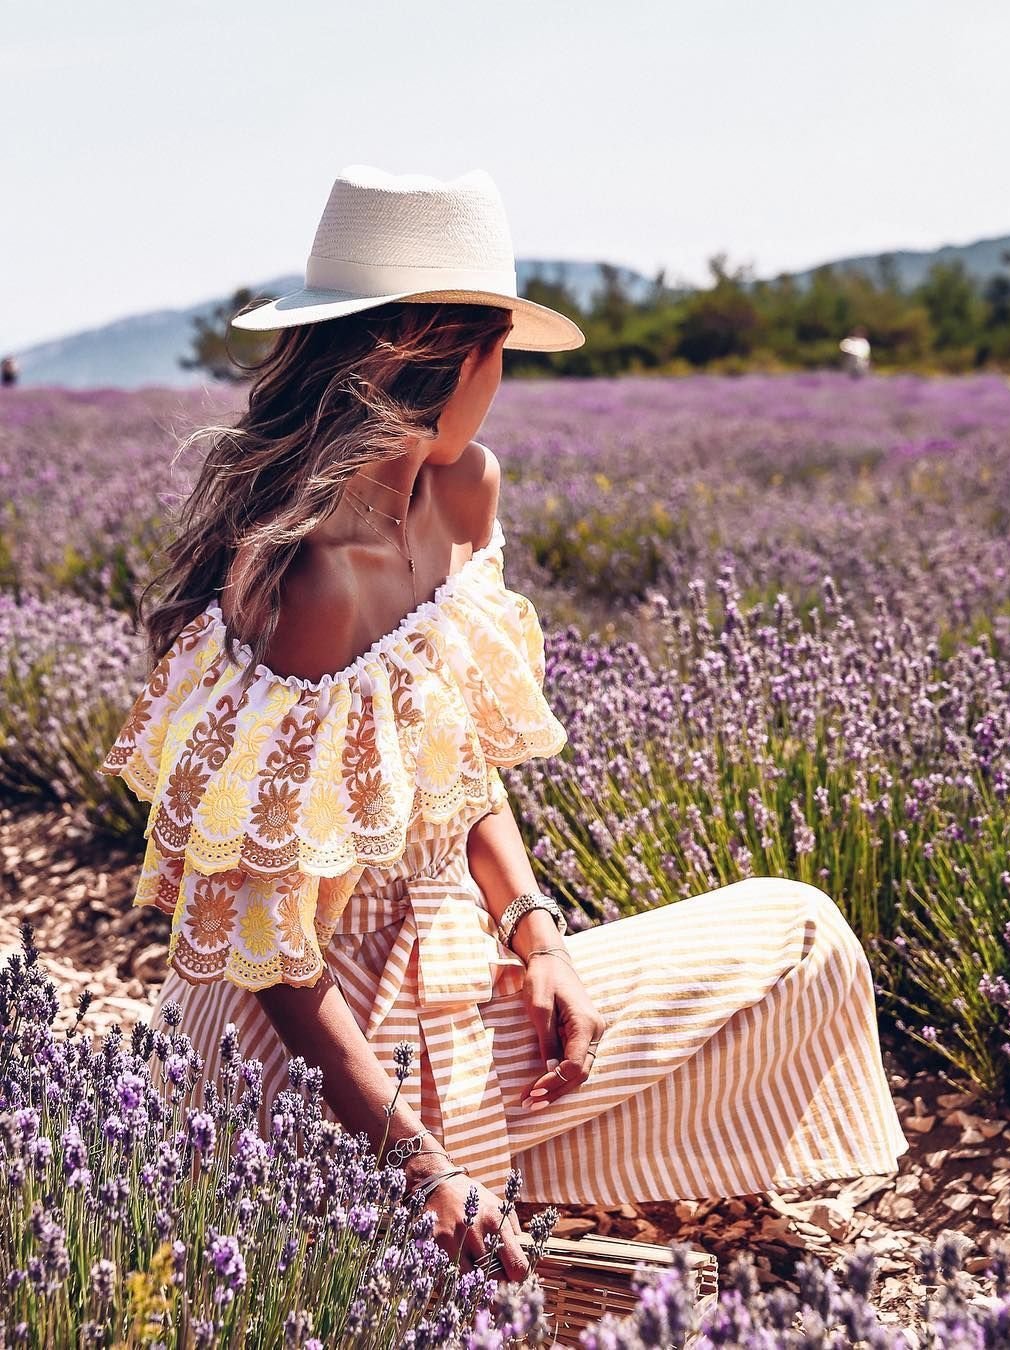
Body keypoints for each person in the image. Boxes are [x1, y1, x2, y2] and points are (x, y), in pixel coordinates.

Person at [99, 165, 907, 1283]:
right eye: (499, 358)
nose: (500, 387)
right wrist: (420, 1164)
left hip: (451, 965)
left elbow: (457, 750)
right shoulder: (311, 576)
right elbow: (276, 957)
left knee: (792, 936)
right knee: (793, 940)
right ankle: (436, 1204)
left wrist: (536, 930)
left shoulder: (467, 488)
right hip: (316, 1046)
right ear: (443, 354)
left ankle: (504, 1179)